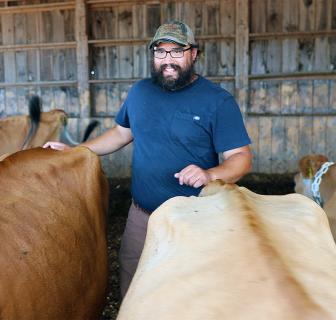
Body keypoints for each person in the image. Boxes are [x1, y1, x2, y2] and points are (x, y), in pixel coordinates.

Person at [43, 20, 252, 298]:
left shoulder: (217, 101)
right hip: (142, 215)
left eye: (176, 51)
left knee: (189, 291)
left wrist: (210, 174)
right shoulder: (140, 92)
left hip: (194, 217)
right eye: (160, 52)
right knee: (132, 277)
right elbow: (120, 134)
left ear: (194, 54)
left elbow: (240, 158)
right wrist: (78, 151)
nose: (168, 60)